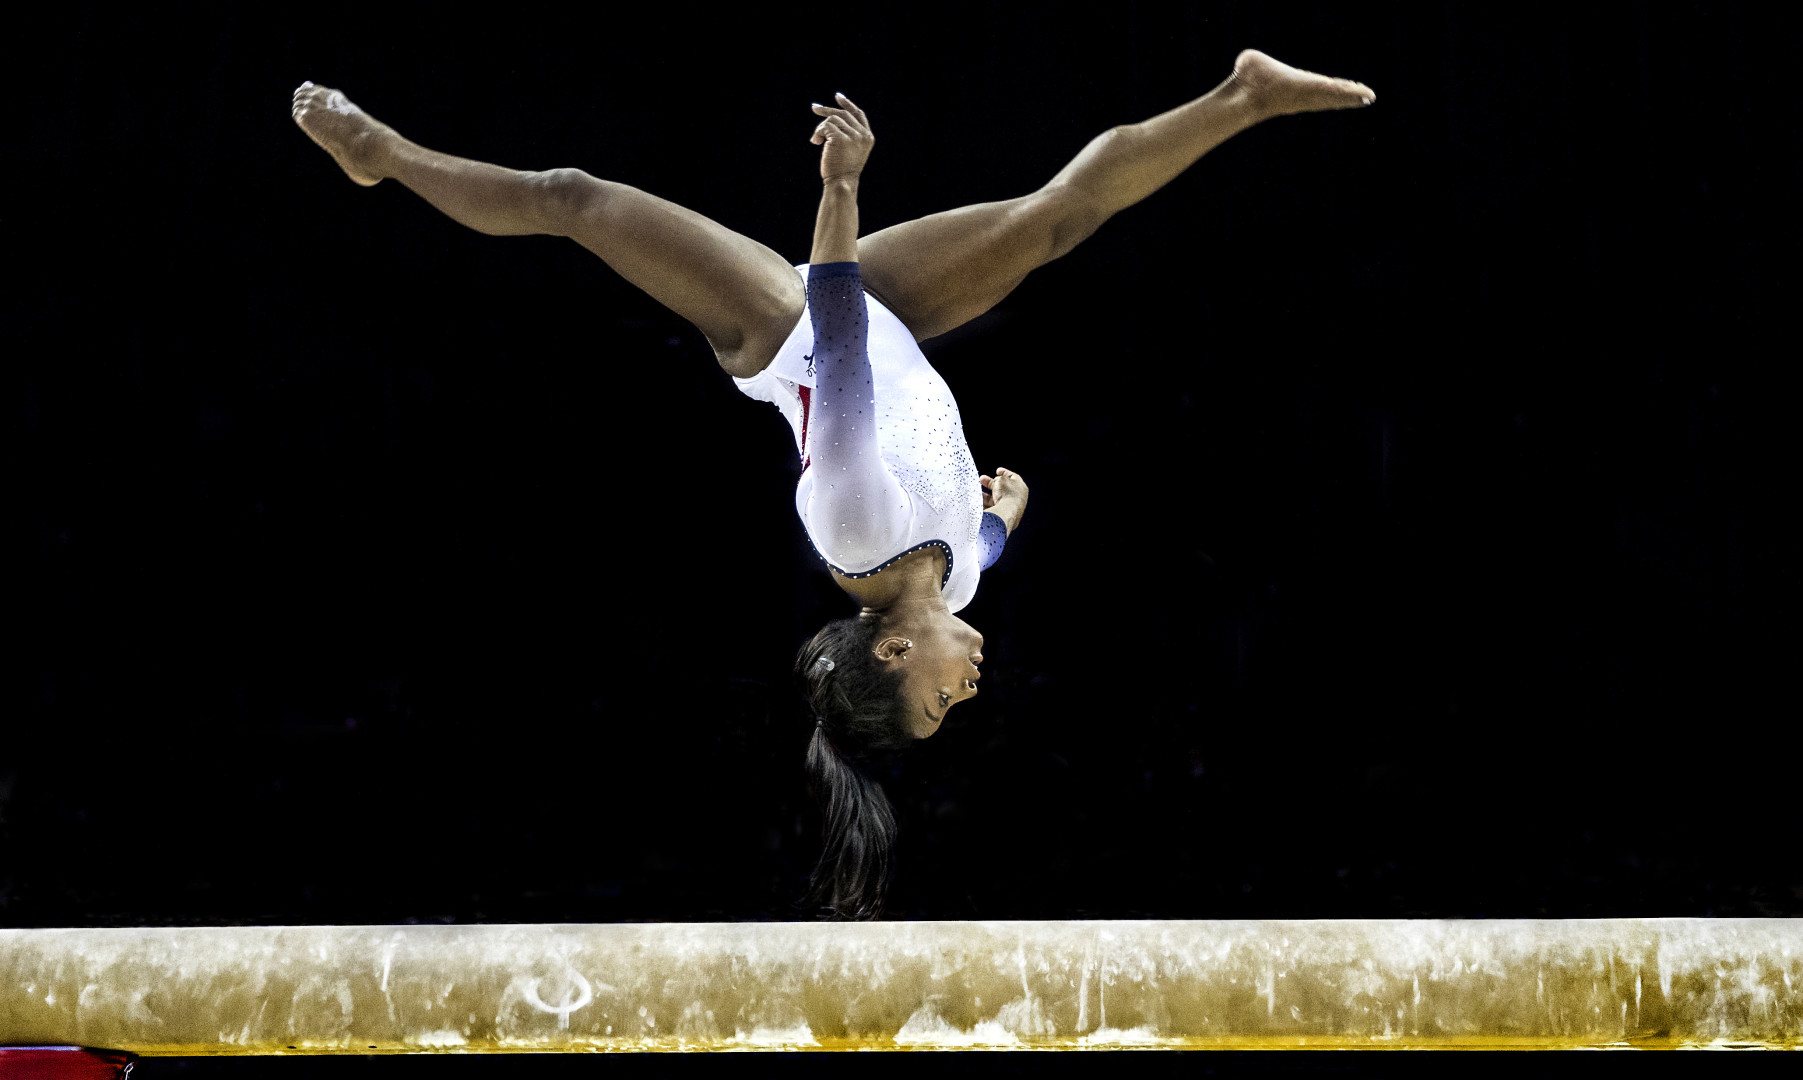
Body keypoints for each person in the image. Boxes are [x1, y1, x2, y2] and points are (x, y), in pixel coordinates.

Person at [291, 50, 1375, 918]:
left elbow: (841, 339)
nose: (971, 689)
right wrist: (1004, 514)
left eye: (940, 697)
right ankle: (1243, 94)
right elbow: (983, 544)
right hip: (877, 313)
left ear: (893, 651)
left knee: (575, 197)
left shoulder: (852, 530)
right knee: (1058, 219)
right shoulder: (955, 592)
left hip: (790, 329)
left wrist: (843, 188)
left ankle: (384, 155)